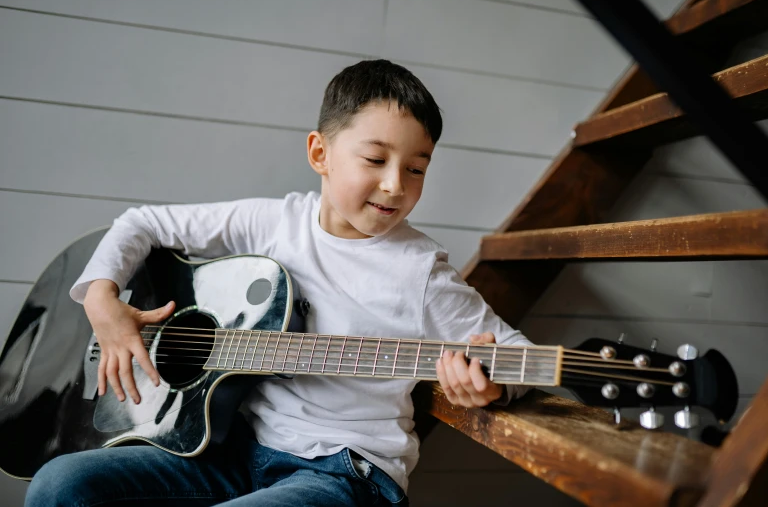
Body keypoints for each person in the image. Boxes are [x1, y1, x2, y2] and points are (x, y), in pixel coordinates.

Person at [25, 59, 533, 507]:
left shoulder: (420, 272)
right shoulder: (273, 223)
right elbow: (143, 223)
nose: (396, 185)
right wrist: (101, 295)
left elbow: (514, 352)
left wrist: (493, 384)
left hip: (345, 473)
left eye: (417, 168)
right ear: (320, 154)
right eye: (375, 159)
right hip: (235, 450)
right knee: (58, 485)